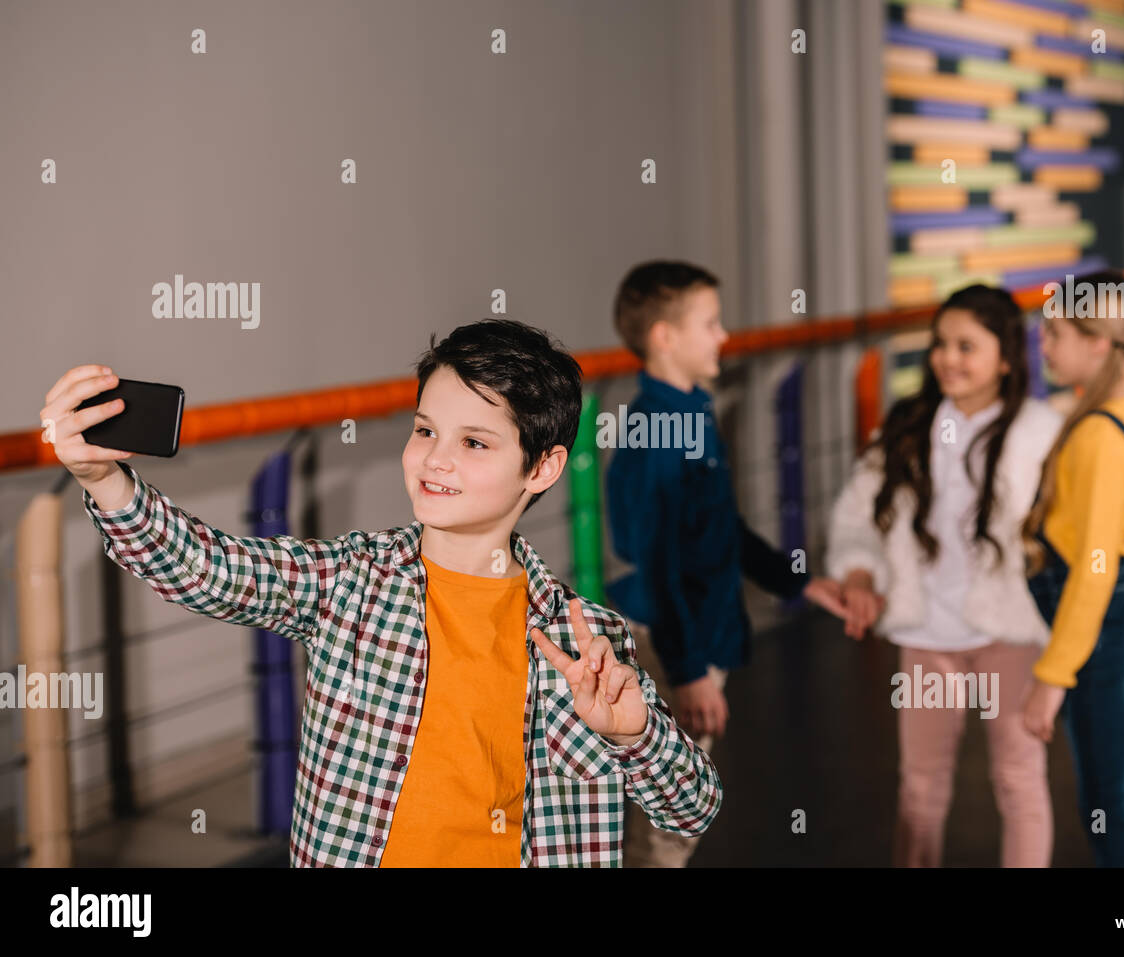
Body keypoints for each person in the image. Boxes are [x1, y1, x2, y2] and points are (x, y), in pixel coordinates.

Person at [41, 318, 721, 867]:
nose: (436, 458)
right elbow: (206, 568)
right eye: (425, 429)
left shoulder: (586, 640)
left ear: (542, 467)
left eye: (476, 443)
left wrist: (633, 732)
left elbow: (692, 807)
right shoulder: (352, 581)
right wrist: (105, 481)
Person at [604, 260, 846, 867]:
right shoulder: (661, 428)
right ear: (665, 336)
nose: (724, 336)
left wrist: (800, 582)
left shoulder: (690, 414)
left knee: (671, 817)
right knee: (669, 822)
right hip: (673, 642)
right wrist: (687, 672)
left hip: (690, 636)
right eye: (710, 323)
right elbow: (658, 558)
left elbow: (719, 530)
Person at [826, 285, 1063, 867]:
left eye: (966, 346)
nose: (947, 358)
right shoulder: (909, 423)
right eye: (939, 344)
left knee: (1018, 781)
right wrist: (857, 572)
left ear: (1006, 358)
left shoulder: (1042, 431)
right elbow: (857, 512)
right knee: (920, 789)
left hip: (1010, 633)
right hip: (926, 634)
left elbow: (1068, 538)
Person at [1020, 269, 1124, 867]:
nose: (1044, 346)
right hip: (1104, 622)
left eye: (1055, 334)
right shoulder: (1115, 409)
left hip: (1102, 624)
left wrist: (1052, 678)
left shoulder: (1102, 433)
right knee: (1103, 804)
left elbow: (1096, 568)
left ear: (1099, 340)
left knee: (1110, 807)